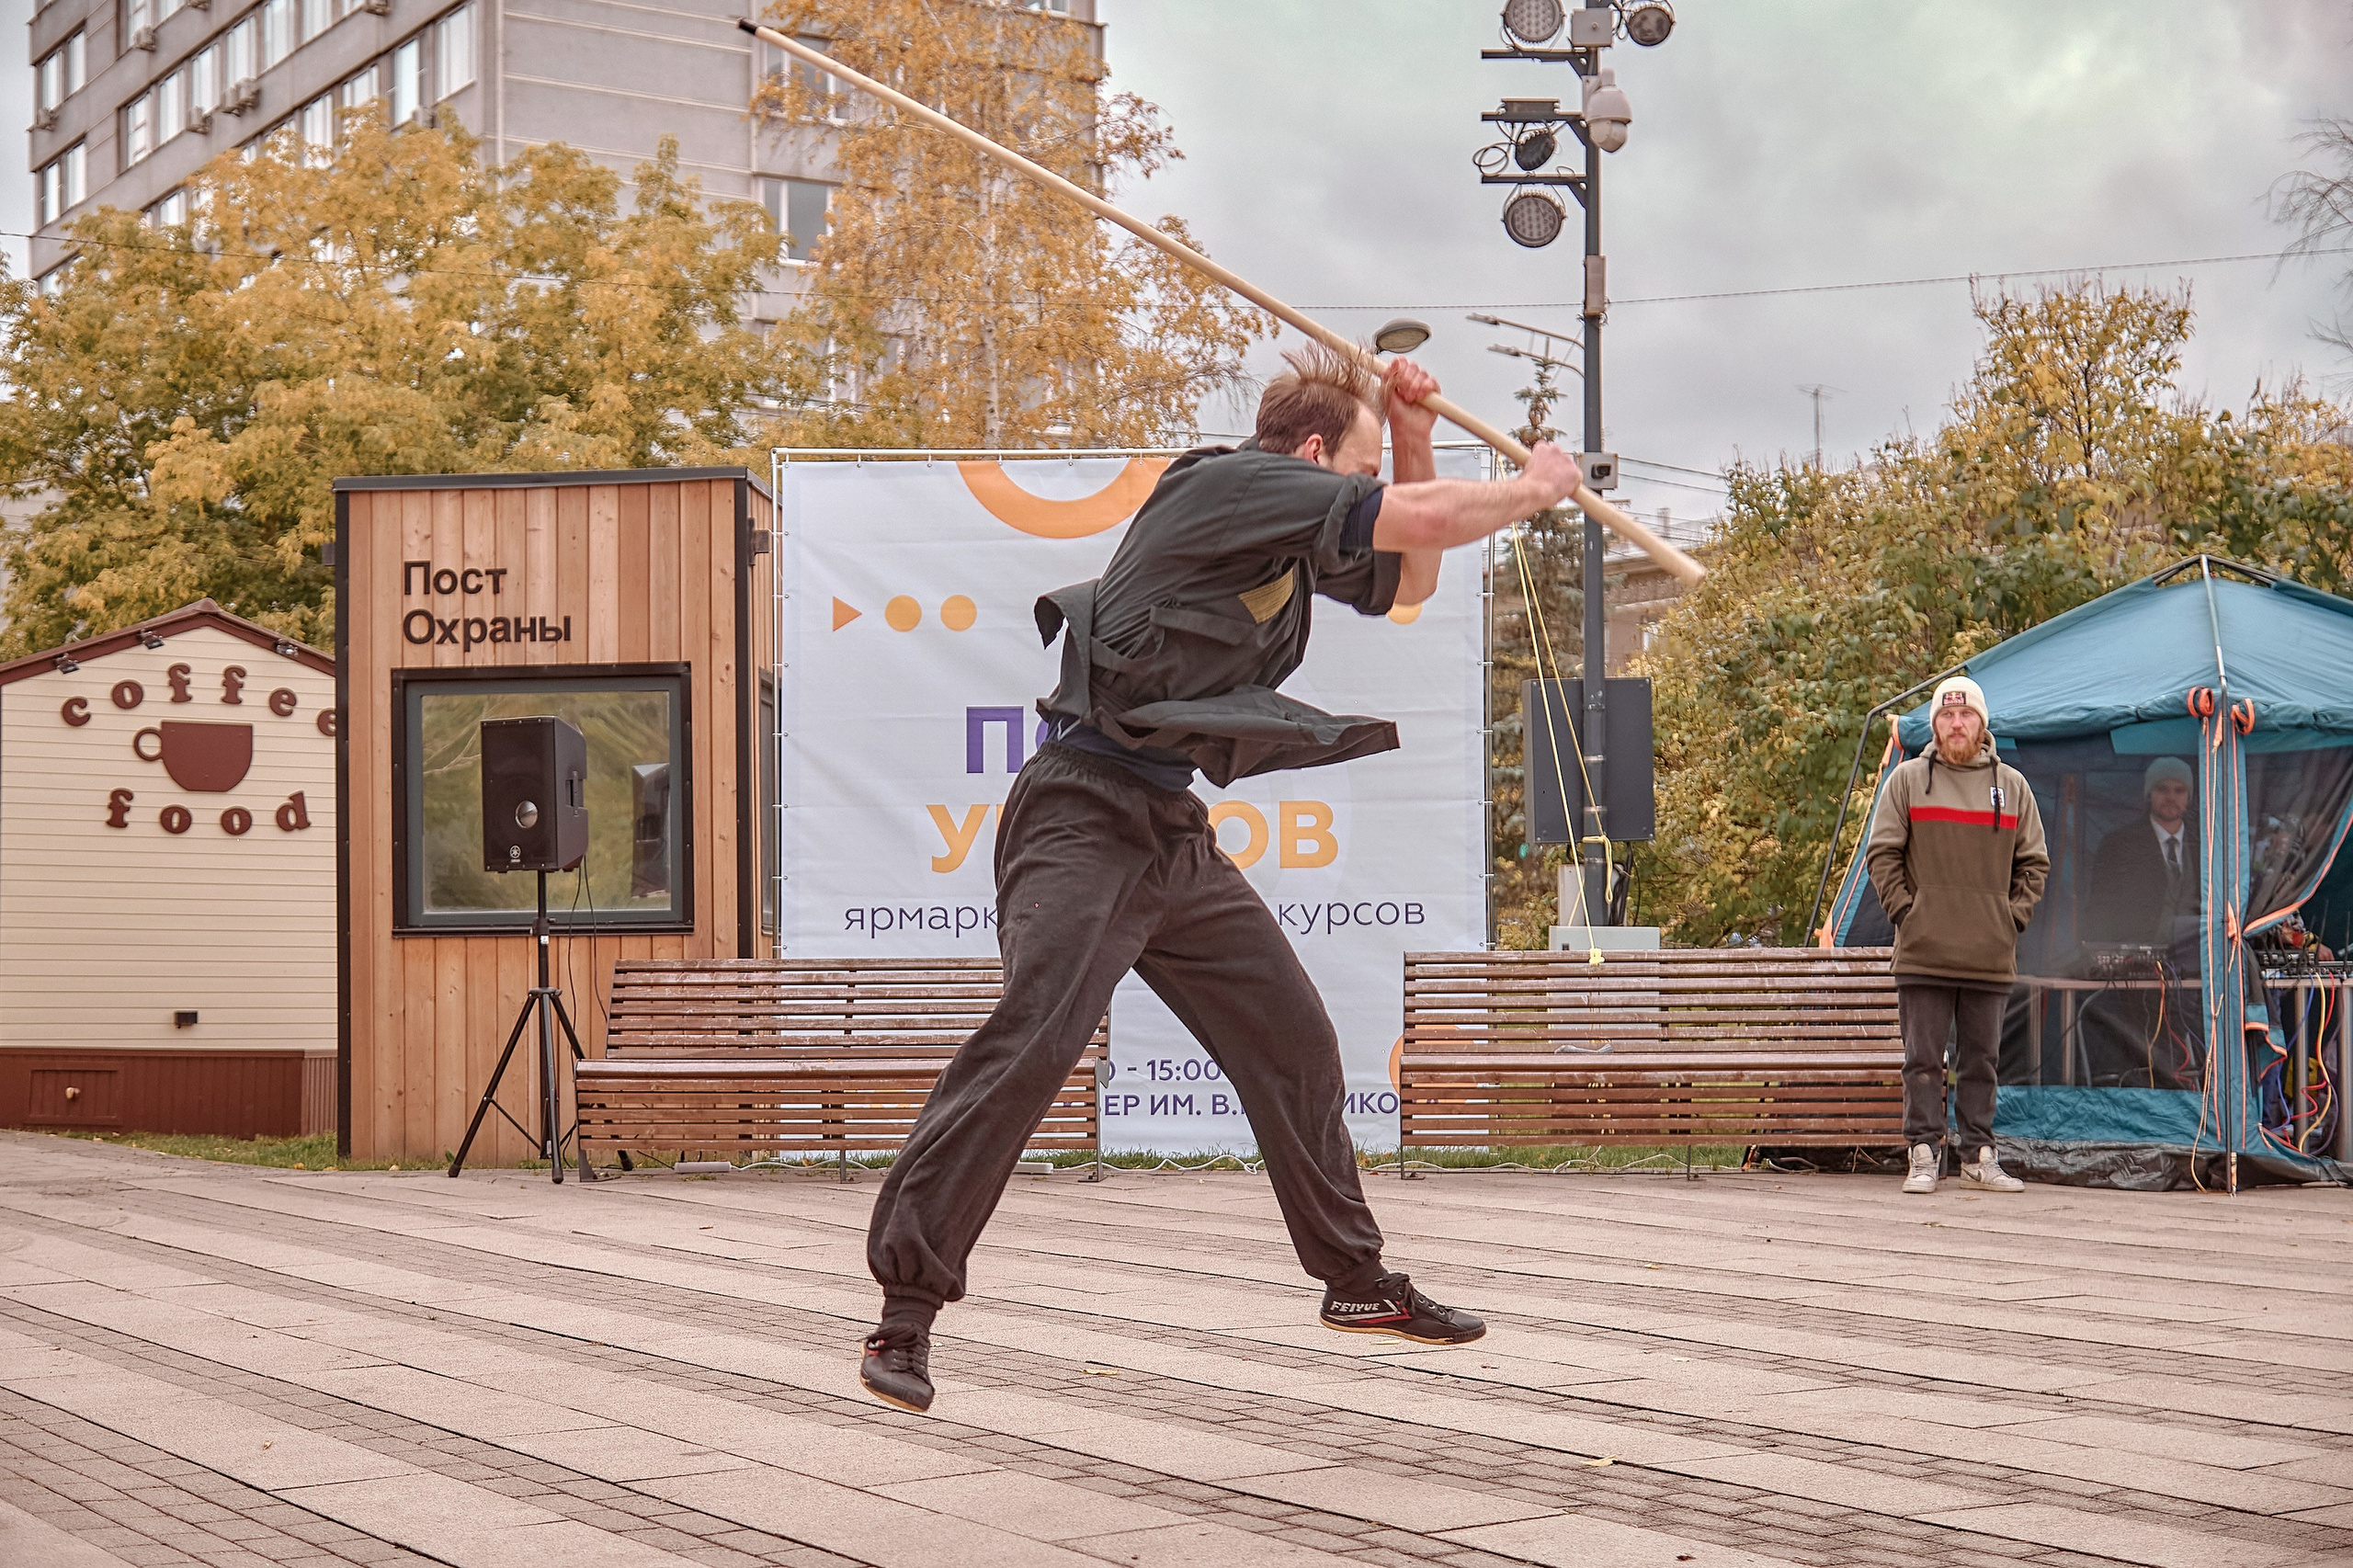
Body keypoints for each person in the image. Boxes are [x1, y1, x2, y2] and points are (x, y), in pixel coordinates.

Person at [857, 344, 1585, 1414]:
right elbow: (1421, 521)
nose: (1367, 485)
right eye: (1361, 462)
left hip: (1166, 828)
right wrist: (1536, 487)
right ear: (1306, 453)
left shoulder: (1287, 534)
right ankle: (904, 1314)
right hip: (1080, 808)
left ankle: (1354, 1283)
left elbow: (1409, 576)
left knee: (1291, 1040)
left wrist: (1410, 421)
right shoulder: (1229, 485)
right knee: (1036, 1036)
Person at [1863, 676, 2050, 1196]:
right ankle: (1923, 1153)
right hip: (1924, 950)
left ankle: (1978, 1156)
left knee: (1981, 1061)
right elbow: (1883, 854)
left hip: (1988, 952)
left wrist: (2008, 918)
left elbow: (2034, 863)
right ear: (1936, 724)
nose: (1956, 723)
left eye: (1965, 714)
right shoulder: (1906, 780)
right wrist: (1908, 913)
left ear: (1982, 722)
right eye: (1946, 715)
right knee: (1922, 1061)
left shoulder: (2011, 786)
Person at [2086, 757, 2199, 947]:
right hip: (2135, 961)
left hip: (2197, 961)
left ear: (2189, 796)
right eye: (2162, 789)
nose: (2171, 797)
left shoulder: (2207, 846)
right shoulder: (2118, 845)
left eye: (2179, 790)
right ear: (2149, 794)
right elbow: (2101, 908)